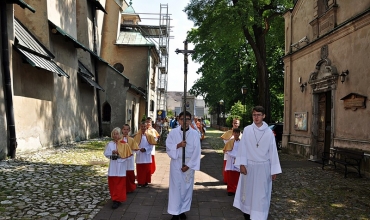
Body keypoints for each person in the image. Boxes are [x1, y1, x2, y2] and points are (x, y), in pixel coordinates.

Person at [233, 106, 282, 220]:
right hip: (249, 167)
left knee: (261, 196)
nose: (256, 117)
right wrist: (241, 164)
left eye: (259, 115)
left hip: (263, 168)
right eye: (254, 115)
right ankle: (247, 215)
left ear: (263, 116)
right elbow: (242, 148)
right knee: (248, 194)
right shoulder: (247, 130)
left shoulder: (269, 133)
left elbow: (273, 151)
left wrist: (273, 170)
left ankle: (259, 217)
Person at [166, 111, 201, 220]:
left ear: (191, 121)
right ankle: (174, 212)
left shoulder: (195, 134)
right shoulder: (173, 133)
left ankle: (182, 210)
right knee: (175, 188)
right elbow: (168, 147)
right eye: (182, 119)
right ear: (179, 120)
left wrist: (189, 165)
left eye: (187, 119)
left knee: (186, 189)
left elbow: (197, 151)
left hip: (188, 164)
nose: (185, 121)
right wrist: (179, 145)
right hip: (177, 163)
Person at [103, 127, 133, 209]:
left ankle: (118, 199)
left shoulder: (124, 144)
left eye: (117, 134)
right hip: (113, 165)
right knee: (113, 183)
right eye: (114, 134)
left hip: (121, 166)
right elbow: (106, 153)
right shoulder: (110, 144)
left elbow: (129, 157)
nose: (115, 135)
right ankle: (114, 198)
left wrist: (120, 154)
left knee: (120, 183)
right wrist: (112, 152)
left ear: (120, 134)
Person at [133, 122, 157, 187]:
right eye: (142, 126)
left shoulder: (150, 136)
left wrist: (145, 149)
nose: (143, 128)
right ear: (140, 127)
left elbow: (151, 145)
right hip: (140, 155)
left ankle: (146, 182)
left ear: (146, 127)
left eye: (144, 126)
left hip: (146, 155)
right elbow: (134, 145)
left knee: (146, 169)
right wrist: (139, 149)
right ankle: (140, 182)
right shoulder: (137, 136)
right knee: (140, 169)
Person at [220, 118, 240, 184]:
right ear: (232, 124)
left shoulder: (241, 134)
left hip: (237, 154)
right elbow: (225, 141)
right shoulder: (228, 132)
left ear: (239, 124)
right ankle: (227, 180)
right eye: (234, 123)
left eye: (237, 123)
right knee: (228, 167)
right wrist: (231, 142)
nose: (235, 124)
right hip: (229, 152)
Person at [223, 128, 241, 196]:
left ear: (239, 134)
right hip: (231, 160)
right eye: (235, 133)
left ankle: (236, 189)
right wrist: (234, 155)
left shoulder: (241, 142)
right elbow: (227, 151)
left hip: (238, 160)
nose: (236, 134)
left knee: (237, 176)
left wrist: (239, 156)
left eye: (237, 133)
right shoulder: (230, 142)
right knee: (231, 176)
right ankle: (230, 190)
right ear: (233, 133)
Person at [121, 124, 139, 193]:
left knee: (130, 173)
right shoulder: (119, 139)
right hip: (122, 159)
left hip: (130, 159)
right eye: (124, 129)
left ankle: (131, 187)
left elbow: (135, 149)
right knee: (123, 173)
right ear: (122, 130)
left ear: (129, 130)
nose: (125, 131)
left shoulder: (131, 140)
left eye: (127, 129)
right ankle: (123, 187)